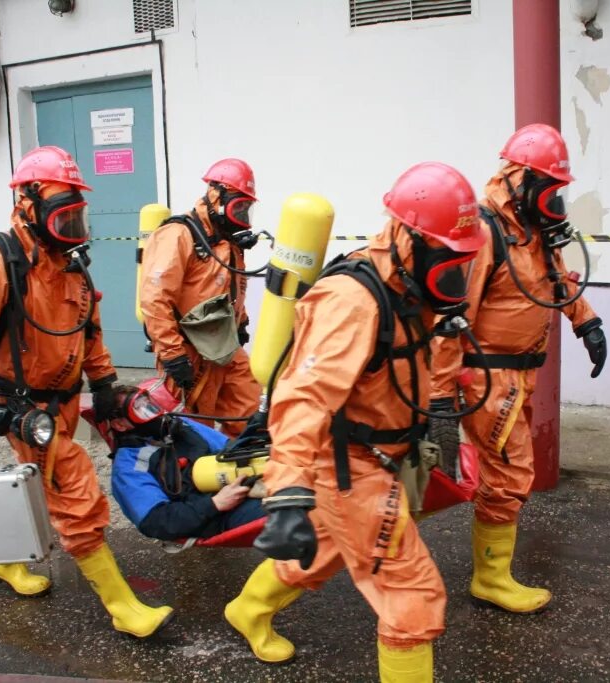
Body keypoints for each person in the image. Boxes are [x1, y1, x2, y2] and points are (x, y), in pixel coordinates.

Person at [224, 162, 487, 683]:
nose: (456, 276)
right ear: (409, 239)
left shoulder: (412, 288)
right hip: (351, 466)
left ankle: (248, 610)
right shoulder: (353, 301)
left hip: (381, 456)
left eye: (465, 263)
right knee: (409, 593)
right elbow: (302, 401)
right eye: (449, 261)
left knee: (320, 550)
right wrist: (287, 494)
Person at [0, 146, 173, 638]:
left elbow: (90, 330)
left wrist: (105, 383)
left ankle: (2, 560)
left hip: (63, 400)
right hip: (21, 405)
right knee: (75, 491)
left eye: (76, 214)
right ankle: (123, 607)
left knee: (46, 488)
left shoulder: (69, 265)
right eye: (62, 214)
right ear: (28, 203)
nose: (72, 225)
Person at [428, 124, 607, 614]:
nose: (555, 201)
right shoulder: (484, 233)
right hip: (487, 376)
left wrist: (585, 321)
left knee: (506, 470)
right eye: (550, 189)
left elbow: (554, 280)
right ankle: (490, 578)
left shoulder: (532, 231)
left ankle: (491, 571)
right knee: (508, 473)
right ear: (520, 178)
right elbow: (450, 318)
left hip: (519, 374)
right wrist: (440, 396)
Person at [139, 159, 262, 437]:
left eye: (245, 208)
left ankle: (235, 470)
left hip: (224, 346)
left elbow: (232, 286)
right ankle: (193, 478)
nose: (241, 215)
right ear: (216, 197)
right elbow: (154, 298)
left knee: (251, 414)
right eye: (238, 207)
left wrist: (241, 324)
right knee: (195, 430)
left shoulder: (226, 241)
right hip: (188, 351)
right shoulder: (179, 235)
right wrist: (173, 355)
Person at [103, 383, 265, 541]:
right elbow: (155, 521)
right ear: (119, 425)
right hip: (216, 515)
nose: (153, 413)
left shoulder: (181, 427)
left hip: (238, 485)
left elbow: (230, 450)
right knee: (285, 516)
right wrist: (215, 504)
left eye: (149, 404)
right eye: (139, 409)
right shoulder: (128, 465)